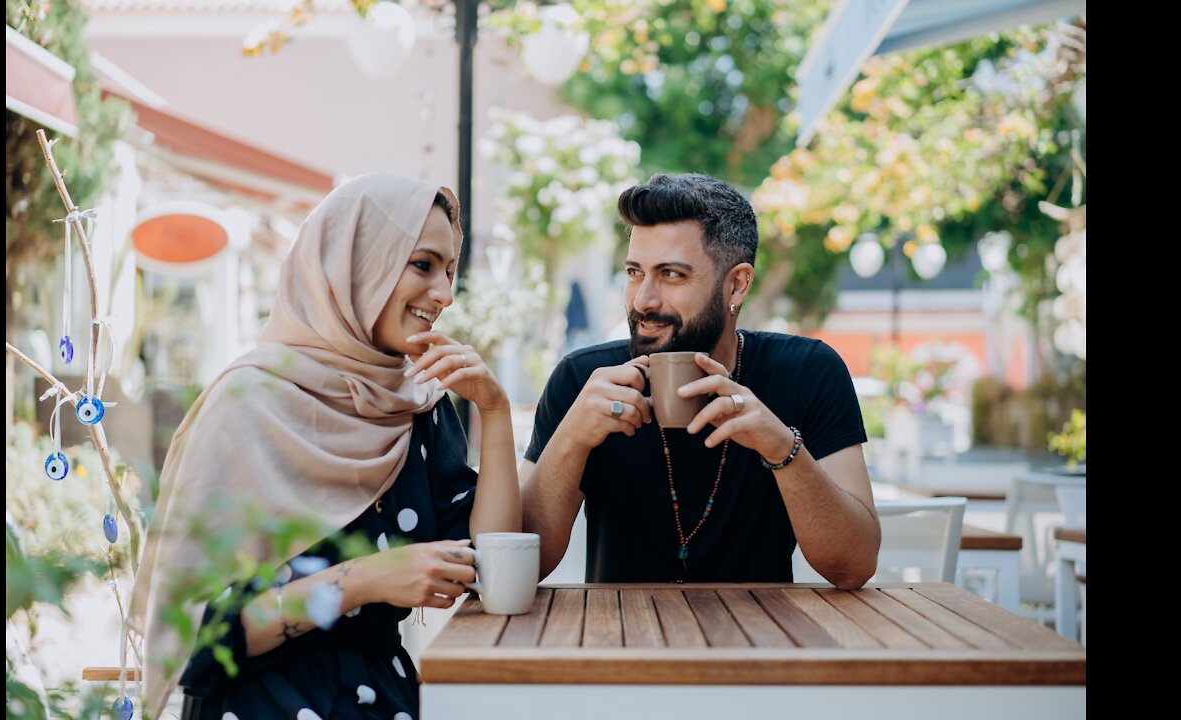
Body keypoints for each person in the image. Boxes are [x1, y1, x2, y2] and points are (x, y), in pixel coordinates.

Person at [128, 174, 521, 720]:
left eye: (450, 271)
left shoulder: (418, 406)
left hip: (385, 703)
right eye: (423, 264)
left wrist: (494, 412)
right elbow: (198, 641)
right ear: (358, 263)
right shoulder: (245, 405)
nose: (445, 293)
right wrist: (365, 580)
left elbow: (492, 566)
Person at [520, 173, 879, 588]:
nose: (643, 300)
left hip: (763, 643)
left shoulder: (807, 371)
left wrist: (781, 445)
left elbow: (853, 566)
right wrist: (572, 439)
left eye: (671, 274)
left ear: (737, 285)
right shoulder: (583, 380)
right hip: (619, 642)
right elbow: (523, 564)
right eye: (635, 272)